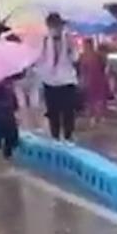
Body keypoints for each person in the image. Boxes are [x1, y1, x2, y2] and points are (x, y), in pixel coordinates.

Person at [36, 13, 80, 142]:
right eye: (54, 26)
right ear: (49, 26)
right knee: (53, 111)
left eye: (59, 26)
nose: (57, 29)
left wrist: (72, 48)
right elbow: (39, 59)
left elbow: (75, 58)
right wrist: (42, 73)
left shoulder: (69, 39)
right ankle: (55, 136)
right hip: (50, 81)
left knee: (68, 110)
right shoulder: (44, 40)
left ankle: (68, 135)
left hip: (67, 79)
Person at [79, 38, 110, 128]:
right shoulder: (84, 56)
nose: (86, 47)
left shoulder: (96, 55)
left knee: (99, 98)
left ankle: (100, 116)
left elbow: (104, 66)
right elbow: (82, 70)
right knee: (92, 99)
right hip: (91, 79)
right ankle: (94, 116)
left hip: (98, 78)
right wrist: (83, 79)